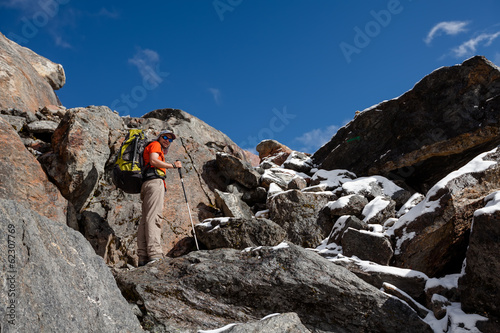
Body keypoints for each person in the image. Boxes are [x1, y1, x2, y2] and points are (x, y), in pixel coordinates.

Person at [137, 129, 182, 267]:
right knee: (154, 217)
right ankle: (155, 254)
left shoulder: (154, 146)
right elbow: (154, 161)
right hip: (155, 182)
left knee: (145, 219)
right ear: (159, 137)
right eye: (165, 137)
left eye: (170, 139)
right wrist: (172, 165)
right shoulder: (155, 145)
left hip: (146, 183)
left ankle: (143, 256)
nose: (167, 141)